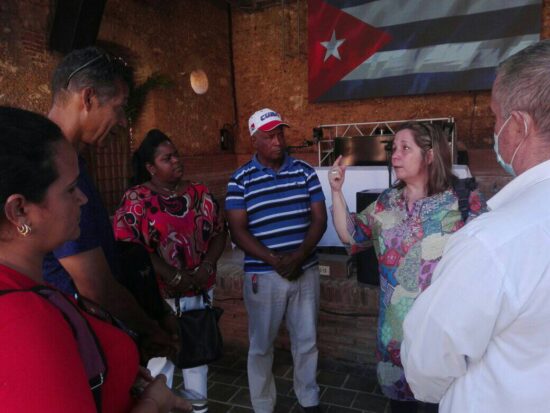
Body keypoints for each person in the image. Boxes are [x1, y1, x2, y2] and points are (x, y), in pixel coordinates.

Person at [0, 106, 191, 413]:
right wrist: (155, 402)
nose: (83, 199)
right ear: (20, 211)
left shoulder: (31, 286)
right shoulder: (19, 322)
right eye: (71, 189)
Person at [401, 40, 550, 413]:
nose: (494, 129)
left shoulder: (492, 239)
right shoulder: (387, 203)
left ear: (519, 125)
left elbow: (428, 359)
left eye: (496, 117)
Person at [329, 122, 486, 413]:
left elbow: (488, 269)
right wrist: (336, 192)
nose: (395, 156)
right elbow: (351, 235)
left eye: (405, 148)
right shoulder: (387, 201)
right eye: (393, 149)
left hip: (443, 344)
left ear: (429, 155)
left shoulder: (464, 203)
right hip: (395, 342)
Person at [44, 46, 178, 361]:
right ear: (87, 98)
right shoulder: (49, 165)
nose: (120, 121)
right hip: (72, 341)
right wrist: (151, 329)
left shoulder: (69, 159)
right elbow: (94, 285)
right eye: (118, 108)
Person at [113, 129, 227, 408]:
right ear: (151, 168)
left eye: (176, 155)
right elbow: (129, 245)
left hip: (199, 292)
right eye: (167, 158)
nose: (176, 160)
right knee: (160, 364)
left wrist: (207, 264)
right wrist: (169, 273)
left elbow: (219, 231)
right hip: (159, 297)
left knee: (196, 360)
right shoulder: (136, 200)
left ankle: (198, 408)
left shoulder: (200, 193)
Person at [225, 108, 327, 413]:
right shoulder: (240, 180)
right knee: (260, 346)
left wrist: (298, 256)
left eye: (280, 133)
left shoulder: (305, 172)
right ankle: (263, 405)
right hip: (263, 276)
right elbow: (237, 229)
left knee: (306, 340)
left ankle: (308, 398)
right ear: (254, 139)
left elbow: (319, 219)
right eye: (269, 135)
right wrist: (273, 259)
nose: (277, 140)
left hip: (304, 270)